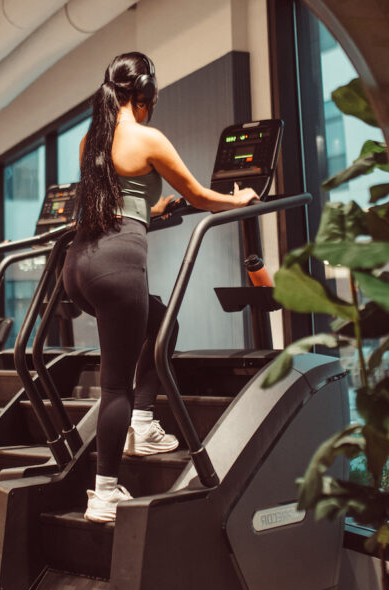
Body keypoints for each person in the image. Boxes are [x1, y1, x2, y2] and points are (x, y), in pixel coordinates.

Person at [62, 52, 258, 523]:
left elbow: (114, 203)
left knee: (160, 323)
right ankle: (105, 492)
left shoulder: (93, 138)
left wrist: (154, 211)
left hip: (79, 265)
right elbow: (200, 196)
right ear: (145, 93)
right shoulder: (147, 138)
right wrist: (240, 198)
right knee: (114, 389)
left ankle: (145, 424)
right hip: (118, 264)